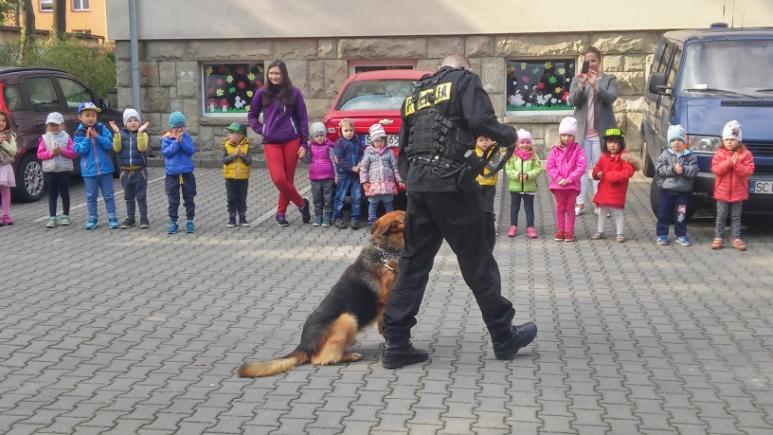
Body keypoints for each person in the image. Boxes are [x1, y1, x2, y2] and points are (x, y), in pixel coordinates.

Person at [381, 54, 537, 369]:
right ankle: (503, 335)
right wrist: (510, 135)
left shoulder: (415, 93)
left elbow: (403, 144)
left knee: (413, 265)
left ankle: (396, 343)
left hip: (419, 188)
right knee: (478, 261)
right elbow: (482, 122)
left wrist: (412, 180)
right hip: (452, 186)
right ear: (463, 67)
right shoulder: (465, 81)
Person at [247, 60, 311, 227]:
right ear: (268, 75)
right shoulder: (262, 93)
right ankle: (302, 204)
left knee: (288, 179)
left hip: (292, 140)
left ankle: (281, 213)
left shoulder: (294, 93)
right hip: (271, 142)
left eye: (277, 73)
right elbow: (252, 116)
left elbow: (303, 119)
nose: (274, 76)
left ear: (283, 75)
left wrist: (304, 143)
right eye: (271, 73)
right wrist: (262, 130)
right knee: (279, 179)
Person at [568, 46, 619, 216]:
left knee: (600, 170)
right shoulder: (577, 79)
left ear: (599, 61)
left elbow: (611, 98)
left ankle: (600, 202)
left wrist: (596, 85)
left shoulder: (609, 79)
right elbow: (572, 101)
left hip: (601, 134)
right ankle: (580, 202)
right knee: (581, 169)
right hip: (582, 134)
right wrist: (582, 85)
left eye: (593, 60)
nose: (590, 64)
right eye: (587, 61)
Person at [72, 102, 117, 230]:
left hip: (105, 168)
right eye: (87, 115)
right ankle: (92, 218)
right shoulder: (79, 132)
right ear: (80, 117)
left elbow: (109, 145)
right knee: (91, 196)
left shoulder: (102, 128)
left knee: (108, 195)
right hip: (89, 170)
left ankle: (112, 217)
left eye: (93, 115)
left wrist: (97, 137)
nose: (90, 118)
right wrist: (87, 139)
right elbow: (79, 150)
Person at [711, 120, 754, 251]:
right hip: (722, 192)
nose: (729, 142)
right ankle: (718, 237)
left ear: (739, 140)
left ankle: (736, 237)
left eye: (733, 139)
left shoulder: (746, 154)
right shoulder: (719, 154)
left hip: (738, 192)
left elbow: (748, 171)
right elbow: (716, 169)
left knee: (736, 217)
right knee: (721, 216)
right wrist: (729, 162)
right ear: (723, 140)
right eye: (727, 139)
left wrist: (737, 164)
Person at [655, 124, 699, 246]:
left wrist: (684, 169)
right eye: (673, 140)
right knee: (663, 213)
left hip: (683, 192)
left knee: (681, 214)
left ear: (683, 142)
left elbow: (695, 170)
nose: (676, 143)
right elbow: (659, 169)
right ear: (669, 142)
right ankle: (662, 234)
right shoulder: (665, 154)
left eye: (679, 140)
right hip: (667, 191)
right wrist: (672, 169)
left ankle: (681, 234)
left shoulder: (690, 155)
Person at [591, 128, 635, 242]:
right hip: (604, 190)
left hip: (617, 191)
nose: (612, 145)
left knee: (618, 212)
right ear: (606, 144)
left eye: (615, 142)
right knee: (602, 212)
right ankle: (600, 231)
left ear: (621, 144)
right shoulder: (603, 157)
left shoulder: (624, 157)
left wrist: (611, 176)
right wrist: (597, 173)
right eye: (610, 142)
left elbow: (628, 172)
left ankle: (619, 233)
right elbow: (597, 168)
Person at [546, 117, 587, 242]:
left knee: (570, 208)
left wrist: (569, 179)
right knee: (560, 208)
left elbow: (582, 166)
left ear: (574, 136)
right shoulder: (555, 150)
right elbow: (550, 166)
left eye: (569, 135)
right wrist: (558, 178)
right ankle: (560, 230)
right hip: (558, 185)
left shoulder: (578, 150)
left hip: (572, 185)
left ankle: (569, 231)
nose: (566, 138)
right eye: (563, 135)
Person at [110, 108, 150, 229]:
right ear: (125, 123)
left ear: (139, 122)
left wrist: (140, 133)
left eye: (136, 120)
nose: (133, 123)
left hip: (140, 171)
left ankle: (144, 219)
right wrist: (116, 134)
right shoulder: (120, 135)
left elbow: (142, 148)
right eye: (130, 120)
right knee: (128, 197)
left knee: (141, 196)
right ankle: (131, 218)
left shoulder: (143, 134)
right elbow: (116, 149)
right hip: (125, 172)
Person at [37, 112, 76, 228]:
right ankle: (52, 217)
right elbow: (40, 154)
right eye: (51, 125)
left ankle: (65, 216)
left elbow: (74, 153)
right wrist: (51, 153)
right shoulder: (45, 138)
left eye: (56, 125)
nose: (53, 127)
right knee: (52, 194)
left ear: (62, 125)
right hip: (50, 171)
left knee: (65, 193)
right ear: (47, 126)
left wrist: (62, 152)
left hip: (64, 170)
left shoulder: (66, 137)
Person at [360, 124, 402, 229]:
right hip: (374, 185)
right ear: (372, 142)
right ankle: (372, 221)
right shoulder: (368, 153)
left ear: (385, 140)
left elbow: (395, 167)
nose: (379, 143)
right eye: (376, 141)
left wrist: (399, 180)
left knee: (388, 203)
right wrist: (364, 182)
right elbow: (364, 168)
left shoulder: (389, 153)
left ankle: (391, 221)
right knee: (373, 204)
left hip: (387, 184)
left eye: (381, 141)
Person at [161, 111, 197, 235]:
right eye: (176, 127)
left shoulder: (186, 137)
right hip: (172, 174)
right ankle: (173, 221)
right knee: (173, 199)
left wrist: (182, 142)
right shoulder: (166, 139)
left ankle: (190, 220)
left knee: (189, 197)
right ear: (171, 127)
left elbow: (191, 151)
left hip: (186, 173)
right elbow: (167, 153)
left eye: (181, 126)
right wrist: (176, 143)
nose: (179, 129)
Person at [504, 129, 542, 239]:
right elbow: (508, 169)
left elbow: (538, 169)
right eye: (522, 142)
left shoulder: (534, 156)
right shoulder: (512, 156)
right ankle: (513, 226)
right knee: (514, 208)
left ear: (531, 143)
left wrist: (528, 175)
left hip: (529, 187)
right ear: (517, 143)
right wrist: (517, 175)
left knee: (529, 208)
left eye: (527, 142)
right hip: (515, 187)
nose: (525, 145)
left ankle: (530, 227)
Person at [332, 118, 364, 229]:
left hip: (355, 175)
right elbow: (338, 160)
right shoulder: (339, 143)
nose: (349, 132)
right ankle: (337, 218)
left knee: (357, 197)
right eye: (346, 130)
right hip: (344, 175)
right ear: (341, 131)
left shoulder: (357, 142)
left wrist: (360, 163)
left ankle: (355, 219)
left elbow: (361, 154)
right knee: (340, 197)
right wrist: (351, 168)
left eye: (351, 130)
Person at [305, 122, 336, 227]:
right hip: (314, 177)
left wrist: (336, 175)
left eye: (322, 135)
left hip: (328, 176)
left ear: (325, 135)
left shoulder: (330, 146)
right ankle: (318, 216)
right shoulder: (310, 146)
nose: (319, 138)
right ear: (313, 137)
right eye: (317, 136)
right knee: (317, 198)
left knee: (328, 198)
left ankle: (327, 216)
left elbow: (334, 161)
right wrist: (301, 156)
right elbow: (307, 160)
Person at [222, 122, 252, 228]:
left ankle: (243, 218)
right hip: (230, 178)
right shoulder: (226, 145)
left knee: (242, 199)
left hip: (243, 178)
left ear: (239, 136)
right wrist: (234, 155)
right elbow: (224, 160)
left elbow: (249, 161)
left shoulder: (247, 146)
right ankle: (232, 218)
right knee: (231, 199)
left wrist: (241, 155)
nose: (228, 135)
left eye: (231, 133)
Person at [474, 135, 502, 246]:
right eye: (481, 140)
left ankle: (489, 228)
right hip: (475, 184)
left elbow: (496, 167)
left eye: (487, 140)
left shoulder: (495, 152)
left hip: (489, 185)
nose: (484, 143)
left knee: (488, 208)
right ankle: (477, 228)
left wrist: (483, 161)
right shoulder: (473, 151)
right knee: (476, 207)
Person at [0, 111, 17, 226]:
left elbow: (13, 151)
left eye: (3, 121)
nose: (1, 123)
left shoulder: (10, 135)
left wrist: (3, 143)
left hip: (5, 166)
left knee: (5, 191)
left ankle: (5, 215)